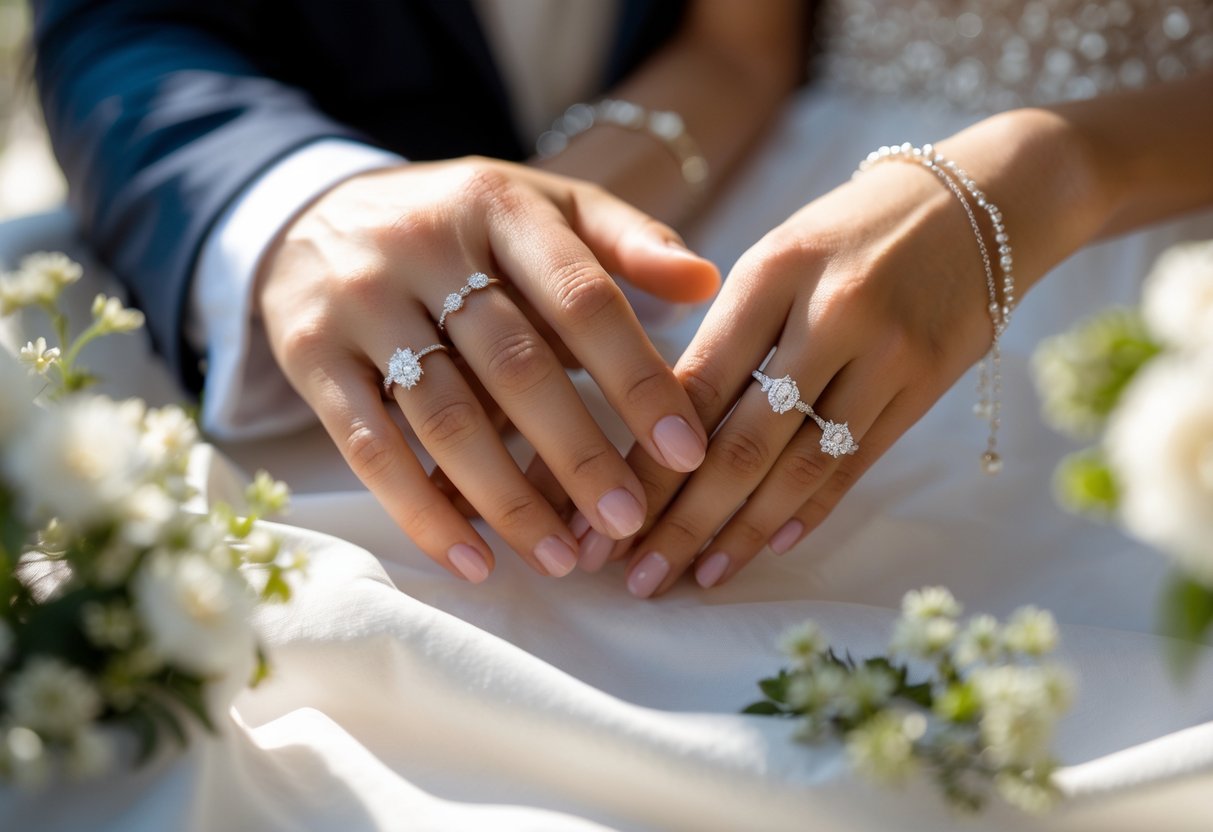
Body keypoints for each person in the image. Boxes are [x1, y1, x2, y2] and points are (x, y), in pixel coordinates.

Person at [33, 0, 804, 581]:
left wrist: (539, 239)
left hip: (752, 185)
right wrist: (303, 203)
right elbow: (116, 25)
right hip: (320, 308)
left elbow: (737, 45)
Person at [600, 1, 1213, 596]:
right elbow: (734, 54)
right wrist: (560, 209)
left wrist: (1054, 170)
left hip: (1162, 262)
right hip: (795, 199)